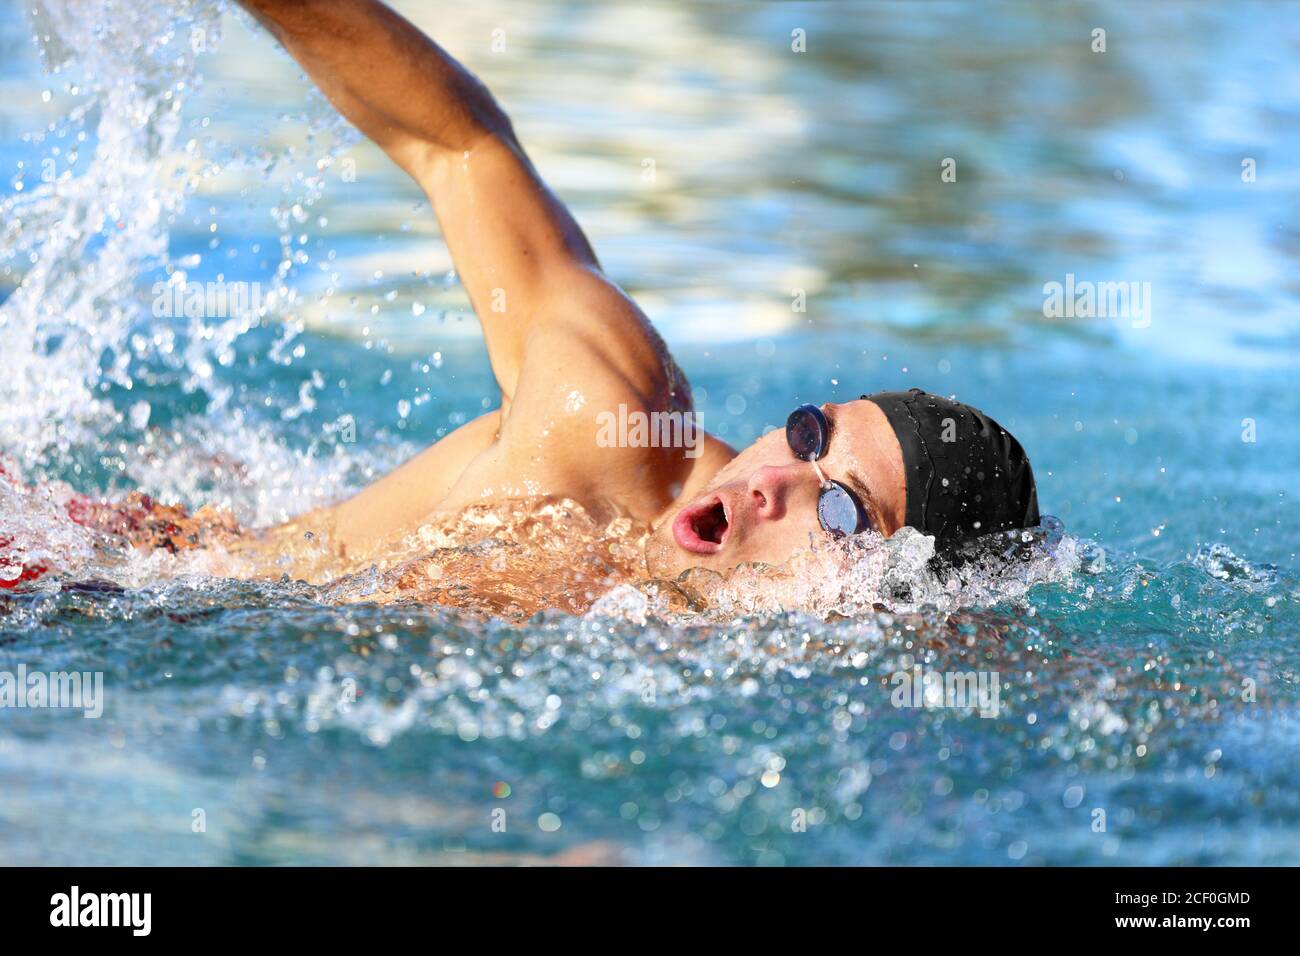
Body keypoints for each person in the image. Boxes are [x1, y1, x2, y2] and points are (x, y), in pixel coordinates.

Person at [2, 0, 1040, 605]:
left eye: (846, 509)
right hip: (82, 574)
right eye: (811, 433)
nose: (774, 479)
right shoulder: (605, 421)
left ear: (895, 598)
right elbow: (458, 147)